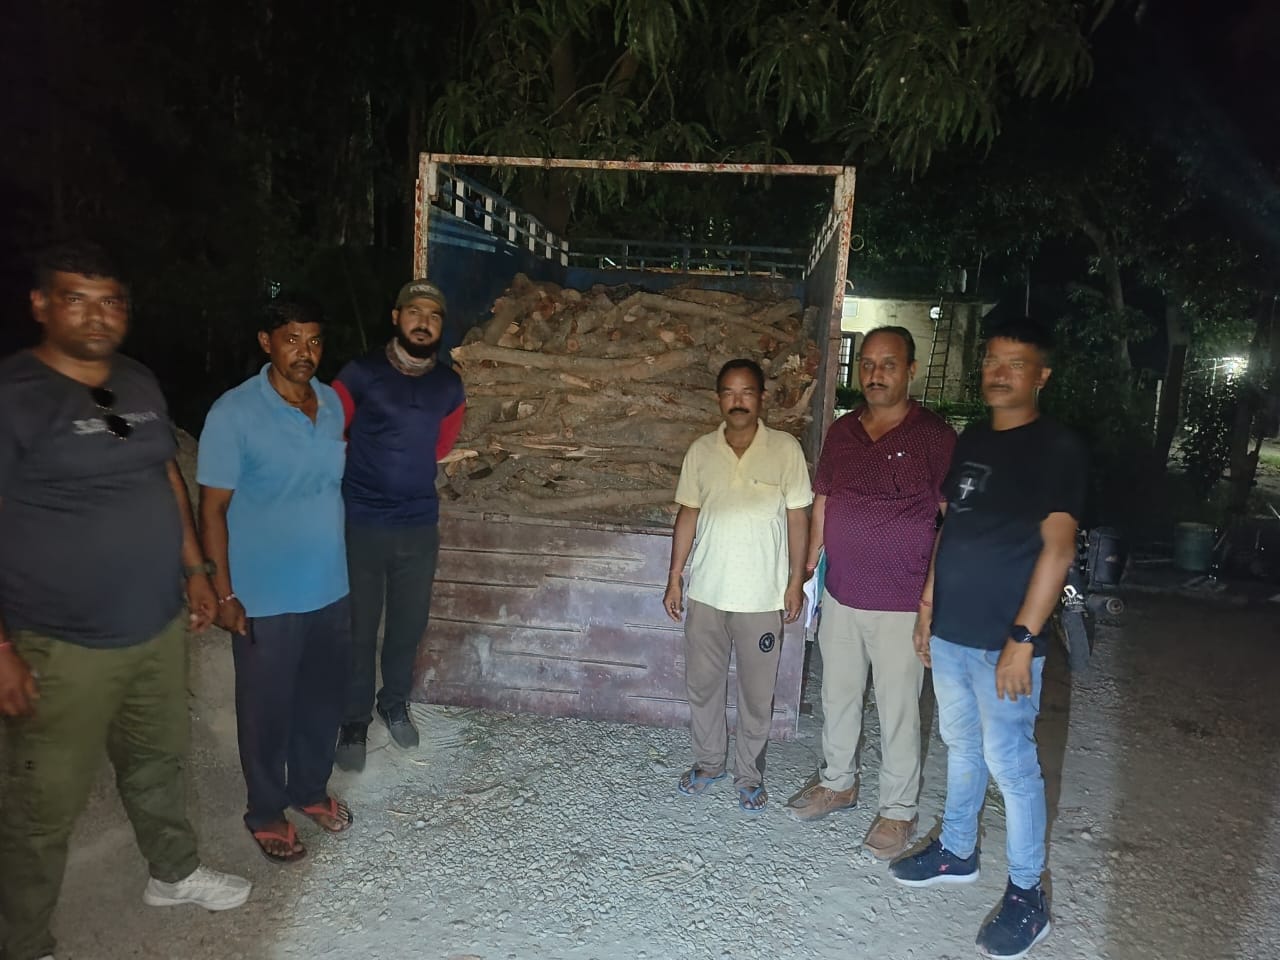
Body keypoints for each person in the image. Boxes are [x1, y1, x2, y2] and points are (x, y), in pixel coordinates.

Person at [0, 241, 250, 960]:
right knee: (41, 803)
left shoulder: (137, 381)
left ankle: (172, 874)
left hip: (155, 625)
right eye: (76, 298)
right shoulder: (15, 394)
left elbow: (165, 476)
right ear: (42, 305)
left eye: (110, 300)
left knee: (158, 762)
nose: (97, 314)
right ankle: (23, 941)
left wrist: (197, 569)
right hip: (61, 642)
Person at [890, 318, 1086, 960]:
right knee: (961, 745)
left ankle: (1028, 896)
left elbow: (1058, 550)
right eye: (992, 361)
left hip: (1005, 640)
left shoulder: (1056, 448)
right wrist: (927, 605)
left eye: (1015, 363)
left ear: (1041, 376)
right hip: (952, 630)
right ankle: (956, 849)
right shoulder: (974, 437)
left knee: (1012, 764)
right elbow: (952, 527)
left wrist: (1024, 638)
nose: (999, 373)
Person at [786, 326, 956, 859]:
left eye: (888, 364)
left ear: (910, 371)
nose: (875, 373)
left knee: (898, 709)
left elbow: (951, 519)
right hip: (841, 592)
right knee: (837, 695)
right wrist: (808, 567)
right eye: (867, 363)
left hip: (901, 601)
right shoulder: (842, 432)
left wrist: (932, 600)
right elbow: (824, 501)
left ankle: (898, 810)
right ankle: (838, 782)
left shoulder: (934, 436)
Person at [198, 295, 354, 865]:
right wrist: (224, 592)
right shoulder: (233, 413)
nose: (304, 352)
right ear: (267, 342)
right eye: (291, 339)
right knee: (265, 712)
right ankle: (265, 811)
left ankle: (309, 789)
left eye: (314, 340)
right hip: (264, 594)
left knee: (322, 700)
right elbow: (212, 510)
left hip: (330, 585)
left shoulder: (331, 403)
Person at [663, 358, 812, 813]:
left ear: (762, 397)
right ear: (719, 399)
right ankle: (709, 763)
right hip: (707, 593)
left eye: (747, 391)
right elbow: (688, 514)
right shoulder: (701, 451)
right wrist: (674, 577)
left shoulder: (785, 449)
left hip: (761, 598)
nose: (738, 401)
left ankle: (749, 776)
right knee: (703, 686)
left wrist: (796, 580)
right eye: (729, 392)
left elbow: (798, 518)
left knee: (756, 693)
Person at [331, 279, 466, 771]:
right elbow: (331, 428)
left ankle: (393, 703)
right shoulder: (360, 373)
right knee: (359, 628)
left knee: (408, 626)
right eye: (414, 312)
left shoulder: (448, 385)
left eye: (433, 315)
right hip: (362, 523)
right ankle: (353, 720)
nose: (423, 322)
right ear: (396, 317)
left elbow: (441, 446)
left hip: (417, 523)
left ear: (440, 325)